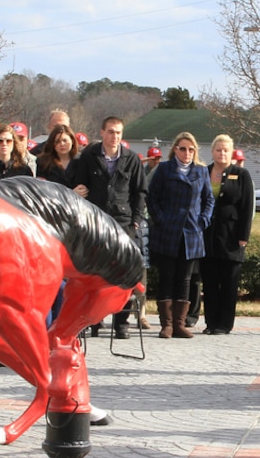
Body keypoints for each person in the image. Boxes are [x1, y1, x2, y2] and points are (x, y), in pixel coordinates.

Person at [73, 116, 147, 339]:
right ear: (102, 132)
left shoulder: (131, 159)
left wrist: (135, 220)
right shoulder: (89, 156)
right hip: (95, 223)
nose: (114, 137)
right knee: (95, 275)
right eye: (111, 132)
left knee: (122, 277)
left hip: (123, 223)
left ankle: (121, 323)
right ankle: (94, 320)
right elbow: (78, 184)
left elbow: (140, 192)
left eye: (118, 133)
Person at [147, 132, 214, 339]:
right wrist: (160, 219)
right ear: (175, 149)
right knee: (167, 277)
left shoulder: (201, 171)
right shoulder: (165, 169)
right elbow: (152, 197)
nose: (187, 153)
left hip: (191, 231)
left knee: (185, 279)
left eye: (191, 149)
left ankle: (179, 323)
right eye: (183, 148)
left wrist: (203, 220)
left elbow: (208, 200)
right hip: (168, 230)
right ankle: (166, 324)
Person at [200, 134, 254, 335]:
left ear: (231, 152)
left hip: (231, 236)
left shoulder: (241, 175)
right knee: (210, 281)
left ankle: (224, 324)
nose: (222, 153)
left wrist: (243, 236)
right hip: (208, 236)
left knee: (229, 282)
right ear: (212, 151)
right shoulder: (204, 172)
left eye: (225, 150)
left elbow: (247, 206)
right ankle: (211, 322)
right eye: (218, 150)